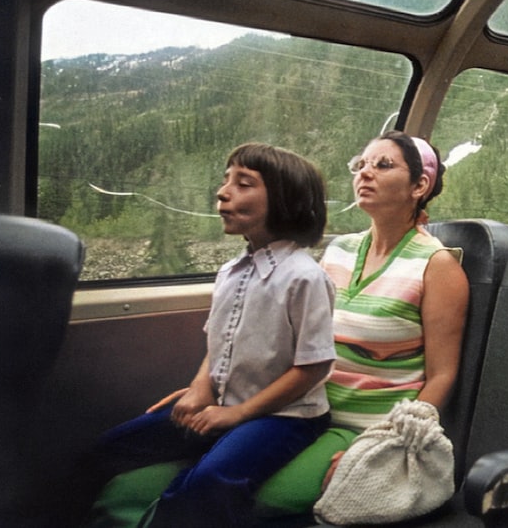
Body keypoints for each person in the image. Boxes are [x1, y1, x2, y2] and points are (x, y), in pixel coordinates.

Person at [85, 143, 336, 528]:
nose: (222, 192)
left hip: (285, 417)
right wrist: (200, 388)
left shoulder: (304, 276)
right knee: (110, 449)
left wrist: (237, 414)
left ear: (285, 199)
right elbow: (218, 345)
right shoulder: (230, 272)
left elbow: (313, 366)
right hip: (221, 402)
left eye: (243, 183)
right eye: (225, 180)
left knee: (209, 482)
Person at [253, 131, 470, 517]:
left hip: (366, 426)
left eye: (383, 165)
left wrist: (379, 448)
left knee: (270, 498)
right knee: (213, 473)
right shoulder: (339, 250)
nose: (365, 173)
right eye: (361, 164)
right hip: (304, 411)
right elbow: (301, 338)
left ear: (419, 185)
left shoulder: (438, 267)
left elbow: (442, 376)